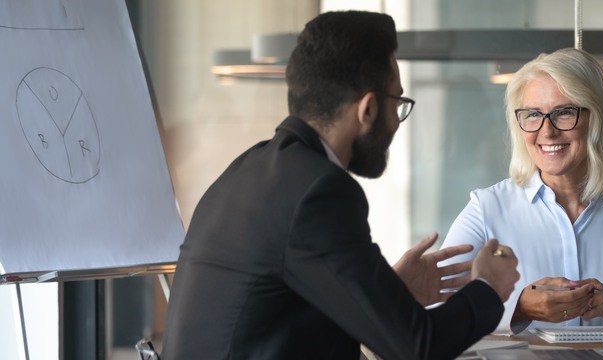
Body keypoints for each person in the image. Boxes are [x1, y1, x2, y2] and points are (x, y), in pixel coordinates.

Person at [162, 11, 520, 359]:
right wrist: (488, 287)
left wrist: (388, 296)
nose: (397, 122)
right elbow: (417, 347)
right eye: (397, 103)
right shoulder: (318, 192)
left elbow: (283, 315)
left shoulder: (252, 169)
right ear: (367, 110)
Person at [439, 48, 603, 335]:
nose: (547, 131)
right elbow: (440, 311)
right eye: (533, 114)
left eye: (564, 112)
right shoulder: (488, 209)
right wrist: (519, 308)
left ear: (597, 119)